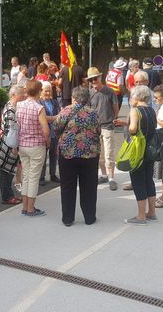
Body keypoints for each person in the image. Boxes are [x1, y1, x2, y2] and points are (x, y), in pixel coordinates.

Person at [56, 86, 101, 226]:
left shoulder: (65, 111)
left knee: (67, 186)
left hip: (68, 154)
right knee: (89, 186)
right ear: (87, 98)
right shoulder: (93, 113)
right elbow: (98, 130)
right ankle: (89, 217)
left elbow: (56, 128)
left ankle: (68, 219)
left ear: (74, 97)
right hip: (90, 154)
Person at [114, 85, 158, 225]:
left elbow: (133, 129)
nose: (130, 99)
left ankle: (140, 216)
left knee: (138, 181)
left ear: (138, 97)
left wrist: (128, 126)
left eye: (131, 96)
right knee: (148, 180)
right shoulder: (151, 110)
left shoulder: (135, 111)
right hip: (150, 150)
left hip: (138, 150)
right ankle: (151, 212)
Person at [16, 80, 50, 217]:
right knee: (34, 178)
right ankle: (31, 208)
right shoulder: (39, 108)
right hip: (36, 146)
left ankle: (25, 207)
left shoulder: (19, 105)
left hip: (23, 145)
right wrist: (45, 140)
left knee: (26, 176)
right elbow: (46, 130)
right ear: (39, 91)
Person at [87, 67, 119, 190]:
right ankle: (104, 175)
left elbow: (115, 106)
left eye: (95, 78)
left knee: (109, 152)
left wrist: (114, 118)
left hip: (107, 125)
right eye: (91, 80)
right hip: (95, 127)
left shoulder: (109, 91)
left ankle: (111, 178)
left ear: (100, 77)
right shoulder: (89, 93)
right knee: (98, 154)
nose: (93, 81)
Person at [0, 85, 25, 204]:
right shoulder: (10, 110)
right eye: (21, 94)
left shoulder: (11, 106)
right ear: (14, 95)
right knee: (6, 172)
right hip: (9, 145)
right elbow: (10, 131)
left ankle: (8, 195)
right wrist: (14, 147)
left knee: (8, 172)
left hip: (8, 144)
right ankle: (7, 197)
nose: (23, 96)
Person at [39, 81, 60, 185]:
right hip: (44, 133)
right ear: (41, 91)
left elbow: (60, 115)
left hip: (54, 132)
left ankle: (52, 174)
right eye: (45, 91)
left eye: (49, 91)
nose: (48, 93)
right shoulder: (39, 103)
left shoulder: (55, 102)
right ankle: (41, 177)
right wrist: (53, 118)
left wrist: (53, 118)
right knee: (43, 155)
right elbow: (42, 118)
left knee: (53, 155)